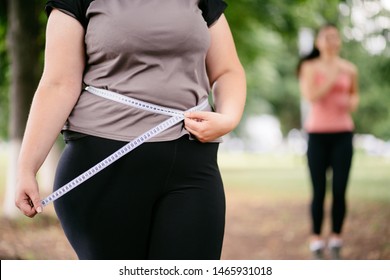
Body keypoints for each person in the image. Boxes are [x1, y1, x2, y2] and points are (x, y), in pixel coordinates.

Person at [15, 0, 246, 260]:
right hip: (101, 166)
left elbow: (227, 70)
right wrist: (26, 168)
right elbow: (58, 84)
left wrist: (229, 117)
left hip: (192, 165)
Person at [297, 24, 359, 260]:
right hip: (317, 135)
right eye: (326, 36)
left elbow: (354, 94)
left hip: (343, 133)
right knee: (319, 189)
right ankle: (315, 238)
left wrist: (353, 101)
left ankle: (336, 237)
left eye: (335, 36)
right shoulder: (309, 67)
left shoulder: (350, 69)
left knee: (341, 189)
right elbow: (311, 96)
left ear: (340, 41)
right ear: (318, 42)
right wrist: (332, 77)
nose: (331, 40)